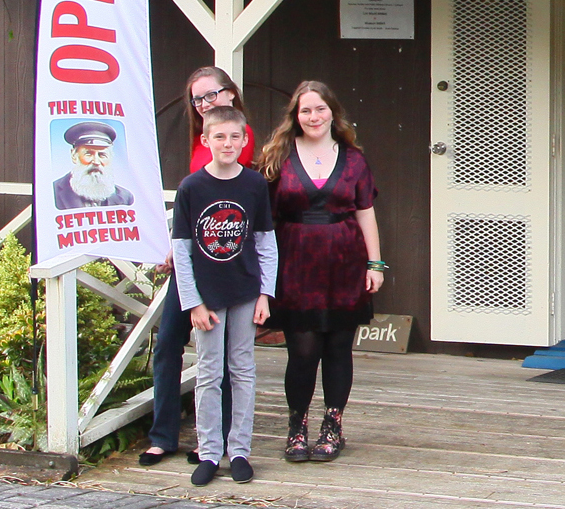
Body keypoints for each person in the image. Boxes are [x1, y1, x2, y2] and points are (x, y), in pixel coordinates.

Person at [261, 80, 385, 462]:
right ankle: (296, 426)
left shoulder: (353, 159)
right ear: (295, 117)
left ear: (333, 111)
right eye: (305, 110)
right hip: (296, 263)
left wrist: (375, 263)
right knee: (301, 349)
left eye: (320, 109)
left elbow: (365, 212)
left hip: (344, 261)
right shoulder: (278, 155)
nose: (313, 117)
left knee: (337, 348)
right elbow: (264, 218)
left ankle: (333, 426)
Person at [140, 66, 254, 466]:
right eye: (199, 99)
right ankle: (163, 433)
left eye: (213, 94)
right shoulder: (199, 142)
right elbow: (192, 202)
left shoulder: (237, 138)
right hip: (192, 260)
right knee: (170, 338)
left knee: (221, 355)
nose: (207, 103)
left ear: (231, 94)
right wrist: (177, 241)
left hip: (225, 264)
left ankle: (216, 441)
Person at [171, 106, 275, 486]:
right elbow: (182, 250)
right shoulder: (192, 188)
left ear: (245, 140)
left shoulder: (254, 185)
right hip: (207, 296)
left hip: (245, 289)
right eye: (219, 136)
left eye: (234, 136)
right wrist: (193, 302)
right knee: (209, 372)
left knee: (242, 369)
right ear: (206, 140)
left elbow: (266, 243)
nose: (227, 143)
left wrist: (266, 293)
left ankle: (240, 450)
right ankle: (210, 451)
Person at [51, 121, 136, 210]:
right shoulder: (52, 193)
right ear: (74, 156)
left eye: (102, 155)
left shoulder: (125, 198)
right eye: (89, 154)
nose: (96, 161)